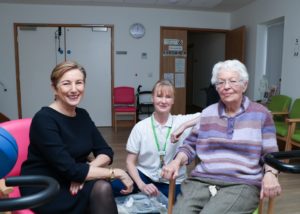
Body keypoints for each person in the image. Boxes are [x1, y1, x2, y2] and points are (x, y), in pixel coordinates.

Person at [161, 59, 281, 214]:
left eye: (232, 81)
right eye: (220, 82)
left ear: (244, 85)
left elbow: (271, 154)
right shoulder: (207, 113)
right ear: (216, 88)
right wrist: (176, 162)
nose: (226, 87)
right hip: (202, 180)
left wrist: (271, 174)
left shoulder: (261, 114)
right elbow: (190, 146)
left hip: (242, 183)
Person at [20, 61, 133, 214]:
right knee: (103, 186)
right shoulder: (44, 119)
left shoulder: (82, 115)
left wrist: (83, 174)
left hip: (73, 178)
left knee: (101, 186)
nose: (74, 89)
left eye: (79, 83)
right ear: (54, 88)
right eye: (66, 84)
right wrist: (116, 172)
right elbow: (69, 169)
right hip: (46, 185)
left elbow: (106, 152)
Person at [112, 80, 200, 199]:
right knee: (111, 187)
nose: (163, 101)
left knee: (172, 207)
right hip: (144, 175)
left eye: (168, 97)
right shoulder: (140, 127)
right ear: (152, 98)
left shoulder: (181, 122)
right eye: (159, 96)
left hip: (172, 180)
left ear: (173, 100)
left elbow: (212, 113)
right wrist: (142, 185)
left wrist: (184, 126)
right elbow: (130, 162)